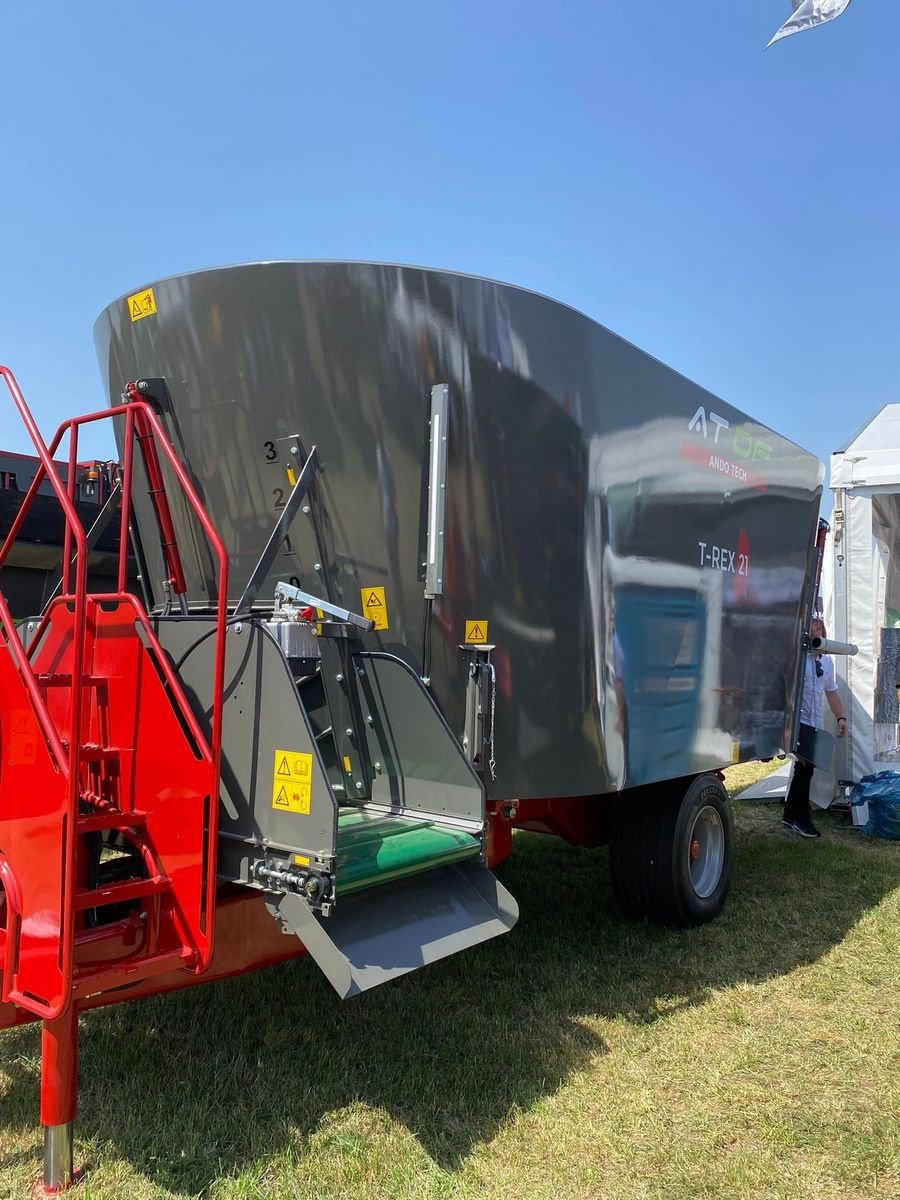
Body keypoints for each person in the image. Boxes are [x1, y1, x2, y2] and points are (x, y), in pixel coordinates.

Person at [783, 617, 847, 838]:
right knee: (805, 769)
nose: (814, 635)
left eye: (818, 631)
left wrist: (841, 718)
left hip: (814, 722)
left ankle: (790, 815)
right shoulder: (797, 658)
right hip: (797, 722)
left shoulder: (826, 662)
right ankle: (801, 818)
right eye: (811, 631)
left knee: (803, 769)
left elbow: (831, 692)